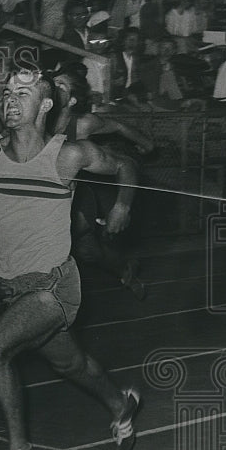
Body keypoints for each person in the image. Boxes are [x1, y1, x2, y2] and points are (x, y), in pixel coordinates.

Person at [0, 68, 142, 450]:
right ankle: (120, 405)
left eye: (24, 93)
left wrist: (123, 203)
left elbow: (126, 162)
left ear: (45, 105)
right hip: (13, 288)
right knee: (70, 366)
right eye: (8, 92)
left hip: (55, 286)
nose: (11, 99)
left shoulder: (66, 155)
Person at [49, 63, 151, 300]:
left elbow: (117, 125)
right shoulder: (35, 118)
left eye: (60, 85)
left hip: (76, 193)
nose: (54, 87)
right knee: (86, 251)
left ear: (72, 100)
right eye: (52, 82)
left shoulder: (82, 124)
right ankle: (124, 268)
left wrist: (146, 143)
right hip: (47, 196)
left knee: (80, 243)